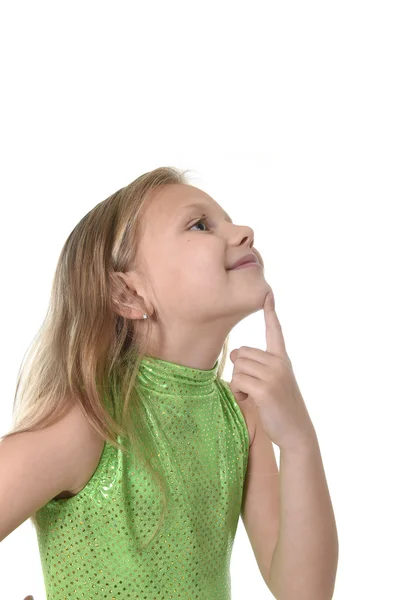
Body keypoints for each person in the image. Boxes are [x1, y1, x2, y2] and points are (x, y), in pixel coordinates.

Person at [0, 166, 273, 599]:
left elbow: (305, 589)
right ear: (127, 295)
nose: (245, 232)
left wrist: (297, 437)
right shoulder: (90, 424)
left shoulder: (241, 419)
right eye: (200, 224)